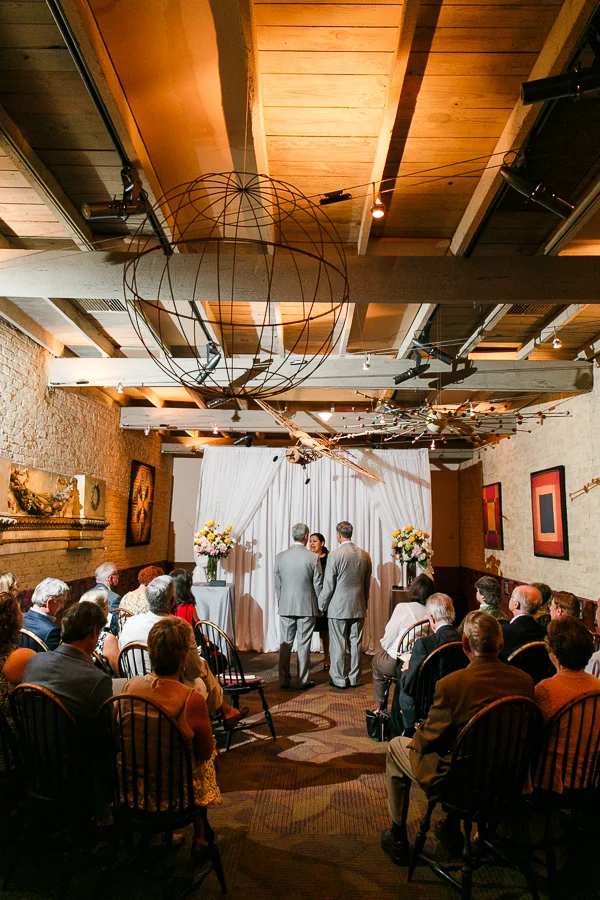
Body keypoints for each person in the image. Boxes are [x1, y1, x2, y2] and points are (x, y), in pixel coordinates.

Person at [381, 610, 535, 866]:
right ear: (501, 643)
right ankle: (451, 827)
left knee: (397, 747)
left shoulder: (452, 685)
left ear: (465, 644)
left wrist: (418, 733)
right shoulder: (525, 681)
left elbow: (427, 740)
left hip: (460, 783)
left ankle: (398, 836)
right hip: (508, 777)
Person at [121, 617, 220, 858]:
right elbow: (204, 753)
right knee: (207, 757)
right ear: (184, 657)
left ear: (151, 653)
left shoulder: (130, 687)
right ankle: (200, 832)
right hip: (174, 795)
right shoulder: (191, 699)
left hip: (131, 790)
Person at [119, 576, 245, 726]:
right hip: (171, 687)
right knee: (202, 669)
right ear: (173, 601)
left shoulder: (130, 623)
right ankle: (219, 715)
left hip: (136, 683)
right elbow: (193, 671)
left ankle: (225, 711)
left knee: (202, 667)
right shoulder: (178, 627)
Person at [535, 616, 600, 792]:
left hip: (553, 781)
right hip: (592, 778)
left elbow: (532, 737)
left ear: (554, 652)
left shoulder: (546, 689)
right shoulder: (597, 687)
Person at [23, 601, 112, 726]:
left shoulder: (34, 660)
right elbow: (107, 731)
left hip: (32, 736)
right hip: (76, 739)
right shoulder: (97, 680)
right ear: (93, 632)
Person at [394, 593, 461, 732]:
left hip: (428, 703)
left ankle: (404, 731)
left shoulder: (424, 644)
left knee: (402, 680)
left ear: (431, 618)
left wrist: (407, 669)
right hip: (458, 700)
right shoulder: (463, 640)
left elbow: (409, 685)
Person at [318, 521, 372, 690]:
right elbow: (367, 584)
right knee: (355, 643)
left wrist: (321, 605)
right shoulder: (365, 555)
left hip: (338, 607)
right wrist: (364, 602)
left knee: (338, 643)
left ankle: (339, 678)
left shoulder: (335, 555)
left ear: (339, 535)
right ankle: (355, 678)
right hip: (358, 605)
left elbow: (329, 585)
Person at [372, 574, 436, 707]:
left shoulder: (403, 608)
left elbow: (389, 636)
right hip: (425, 663)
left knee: (377, 663)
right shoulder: (433, 612)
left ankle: (380, 707)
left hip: (399, 662)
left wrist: (386, 647)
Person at [275, 523, 323, 691]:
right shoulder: (313, 557)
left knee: (285, 643)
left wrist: (281, 602)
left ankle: (283, 679)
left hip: (286, 605)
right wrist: (321, 605)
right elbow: (318, 585)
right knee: (304, 644)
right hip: (306, 606)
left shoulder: (280, 557)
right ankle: (302, 680)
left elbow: (277, 584)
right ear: (306, 537)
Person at [0, 591, 34, 722]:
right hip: (14, 727)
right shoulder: (18, 657)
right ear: (10, 621)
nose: (23, 615)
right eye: (19, 611)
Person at [79, 587, 120, 675]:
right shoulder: (107, 639)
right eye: (107, 605)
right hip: (103, 681)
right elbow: (121, 672)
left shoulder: (75, 635)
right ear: (102, 611)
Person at [499, 584, 544, 660]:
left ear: (516, 604)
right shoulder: (545, 633)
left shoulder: (504, 633)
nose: (510, 598)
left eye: (511, 596)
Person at [22, 577, 68, 651]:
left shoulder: (19, 620)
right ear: (49, 602)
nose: (62, 606)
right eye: (62, 602)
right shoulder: (52, 632)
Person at [309, 533, 330, 670]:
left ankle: (326, 656)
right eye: (310, 541)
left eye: (315, 541)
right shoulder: (307, 557)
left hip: (325, 597)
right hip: (310, 597)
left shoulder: (329, 558)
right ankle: (305, 659)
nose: (312, 544)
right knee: (307, 628)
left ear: (322, 543)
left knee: (324, 630)